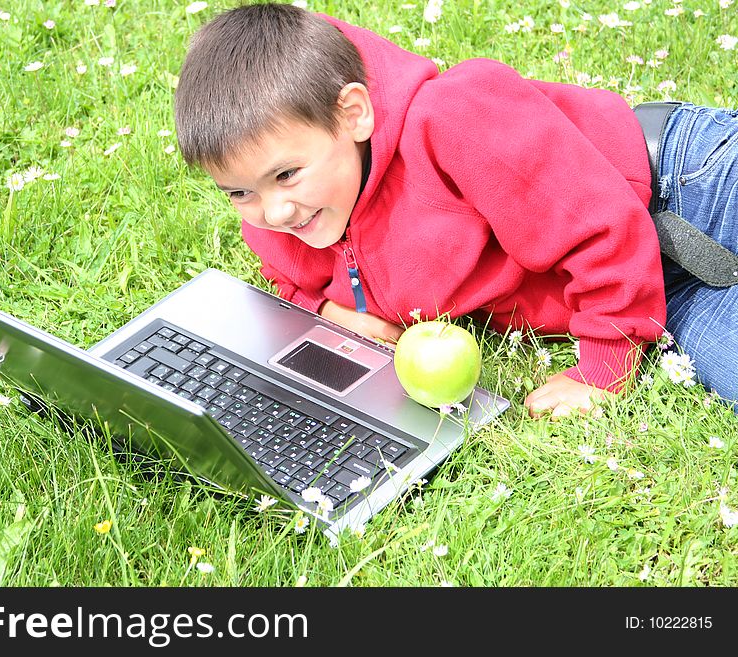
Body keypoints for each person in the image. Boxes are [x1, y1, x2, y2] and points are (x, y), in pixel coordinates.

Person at [174, 3, 738, 417]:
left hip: (679, 179)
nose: (272, 213)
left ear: (353, 115)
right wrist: (328, 310)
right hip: (656, 282)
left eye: (286, 175)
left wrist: (602, 368)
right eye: (240, 193)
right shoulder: (291, 219)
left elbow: (599, 225)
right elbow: (289, 280)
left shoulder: (454, 119)